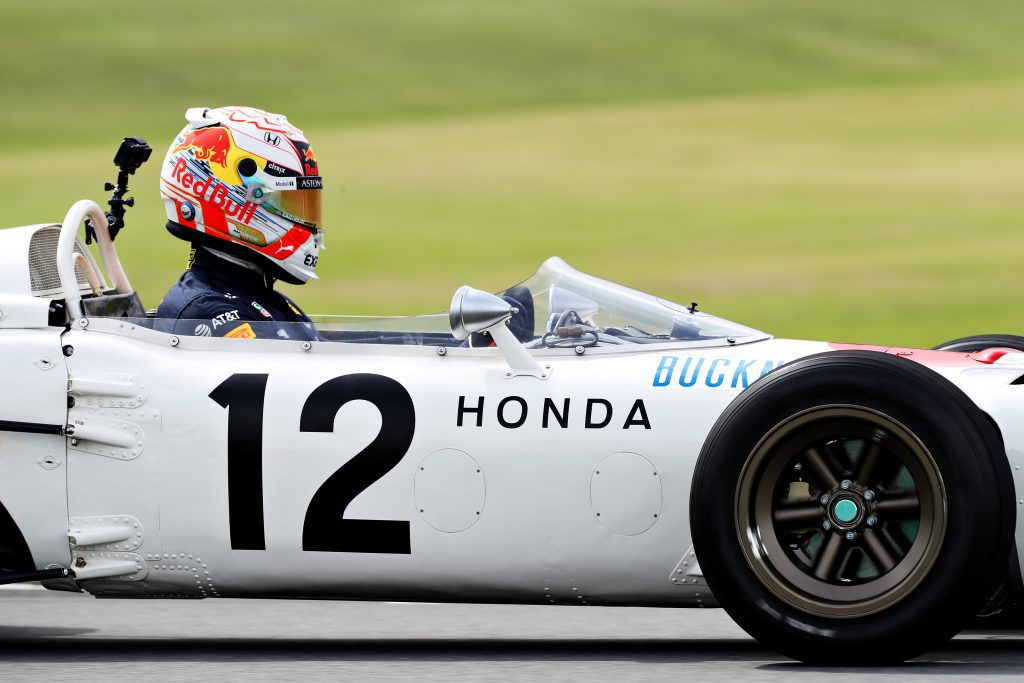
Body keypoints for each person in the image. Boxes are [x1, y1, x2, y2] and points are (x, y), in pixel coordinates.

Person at [156, 106, 323, 340]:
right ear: (227, 196)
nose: (305, 220)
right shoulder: (209, 314)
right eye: (286, 201)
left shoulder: (261, 297)